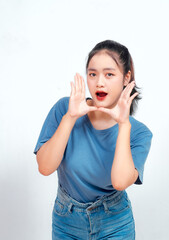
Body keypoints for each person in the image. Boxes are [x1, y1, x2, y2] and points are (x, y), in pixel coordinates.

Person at [34, 40, 153, 240]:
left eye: (109, 74)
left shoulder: (139, 133)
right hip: (66, 221)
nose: (99, 82)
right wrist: (70, 117)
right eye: (92, 74)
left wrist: (123, 124)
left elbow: (120, 182)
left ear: (126, 78)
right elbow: (45, 167)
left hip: (115, 224)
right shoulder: (65, 109)